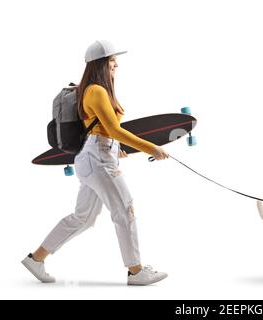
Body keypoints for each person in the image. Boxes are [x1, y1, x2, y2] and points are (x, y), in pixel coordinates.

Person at [22, 40, 170, 286]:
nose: (116, 65)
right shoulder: (96, 91)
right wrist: (149, 147)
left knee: (83, 218)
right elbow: (112, 129)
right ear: (101, 64)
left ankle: (36, 259)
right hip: (97, 158)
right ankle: (136, 271)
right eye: (112, 62)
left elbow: (104, 130)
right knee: (125, 209)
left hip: (96, 156)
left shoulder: (94, 90)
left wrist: (116, 147)